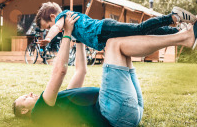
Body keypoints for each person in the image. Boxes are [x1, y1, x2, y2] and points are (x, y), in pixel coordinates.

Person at [13, 11, 197, 126]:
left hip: (128, 113)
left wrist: (78, 40)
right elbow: (60, 70)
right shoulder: (40, 112)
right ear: (23, 111)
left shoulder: (63, 103)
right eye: (24, 98)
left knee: (121, 48)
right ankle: (182, 37)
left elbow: (80, 71)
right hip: (114, 113)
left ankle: (182, 36)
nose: (29, 93)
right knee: (113, 44)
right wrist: (67, 33)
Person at [35, 2, 197, 50]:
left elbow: (56, 28)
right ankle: (176, 31)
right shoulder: (69, 23)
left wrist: (49, 38)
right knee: (142, 35)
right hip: (104, 34)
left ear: (53, 17)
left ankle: (173, 17)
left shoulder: (63, 18)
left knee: (140, 29)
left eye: (47, 26)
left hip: (104, 29)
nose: (51, 28)